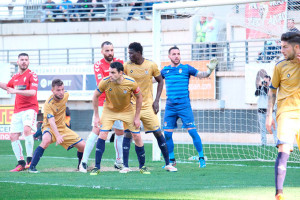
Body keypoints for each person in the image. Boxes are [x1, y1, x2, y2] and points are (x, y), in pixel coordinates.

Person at [122, 42, 177, 173]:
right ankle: (125, 166)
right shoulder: (126, 66)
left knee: (158, 132)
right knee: (128, 134)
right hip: (131, 107)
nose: (129, 55)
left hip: (147, 106)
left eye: (131, 53)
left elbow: (160, 81)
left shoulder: (151, 65)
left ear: (139, 53)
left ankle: (168, 164)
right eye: (128, 53)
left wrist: (157, 100)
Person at [89, 61, 150, 175]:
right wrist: (97, 116)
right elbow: (95, 96)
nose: (110, 75)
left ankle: (143, 166)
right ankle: (97, 167)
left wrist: (137, 117)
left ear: (121, 73)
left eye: (113, 73)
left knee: (136, 136)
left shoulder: (131, 82)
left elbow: (139, 97)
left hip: (127, 110)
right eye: (109, 72)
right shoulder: (105, 82)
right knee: (102, 134)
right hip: (109, 111)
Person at [161, 46, 218, 168]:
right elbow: (154, 80)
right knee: (167, 134)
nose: (177, 56)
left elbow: (202, 75)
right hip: (170, 107)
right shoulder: (165, 71)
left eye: (178, 54)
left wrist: (209, 71)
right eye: (174, 54)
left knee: (192, 132)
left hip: (184, 106)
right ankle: (171, 160)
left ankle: (201, 158)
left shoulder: (186, 68)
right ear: (169, 56)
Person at [79, 41, 125, 173]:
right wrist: (117, 79)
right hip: (103, 103)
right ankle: (83, 162)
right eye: (107, 51)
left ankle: (119, 161)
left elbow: (124, 79)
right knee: (97, 130)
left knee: (119, 132)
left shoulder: (120, 61)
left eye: (111, 50)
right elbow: (102, 84)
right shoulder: (98, 65)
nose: (110, 53)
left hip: (118, 103)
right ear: (102, 52)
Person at [266, 31, 300, 200]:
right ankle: (279, 193)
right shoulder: (280, 66)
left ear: (297, 47)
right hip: (286, 113)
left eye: (285, 47)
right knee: (284, 150)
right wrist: (269, 115)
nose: (282, 50)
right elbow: (272, 91)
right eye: (281, 47)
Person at [28, 79, 86, 173]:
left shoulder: (66, 95)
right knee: (46, 140)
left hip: (63, 128)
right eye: (58, 90)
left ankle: (80, 167)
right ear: (52, 91)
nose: (61, 92)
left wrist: (60, 133)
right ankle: (32, 167)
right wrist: (58, 136)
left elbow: (64, 96)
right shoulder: (48, 104)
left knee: (83, 146)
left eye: (62, 89)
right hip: (49, 128)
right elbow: (51, 122)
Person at [0, 53, 38, 172]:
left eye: (26, 60)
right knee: (13, 136)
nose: (24, 62)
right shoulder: (16, 76)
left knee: (27, 130)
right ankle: (21, 163)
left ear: (29, 62)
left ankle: (30, 161)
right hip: (17, 110)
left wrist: (14, 90)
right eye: (22, 60)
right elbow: (7, 86)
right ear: (17, 62)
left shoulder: (32, 75)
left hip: (30, 108)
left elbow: (32, 92)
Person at [255, 74, 277, 146]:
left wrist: (267, 85)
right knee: (262, 128)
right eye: (264, 81)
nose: (265, 82)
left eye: (266, 81)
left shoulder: (271, 88)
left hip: (271, 111)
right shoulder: (261, 87)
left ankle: (276, 142)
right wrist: (260, 86)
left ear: (269, 81)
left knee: (274, 127)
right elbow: (256, 94)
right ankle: (263, 143)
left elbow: (268, 93)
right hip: (261, 111)